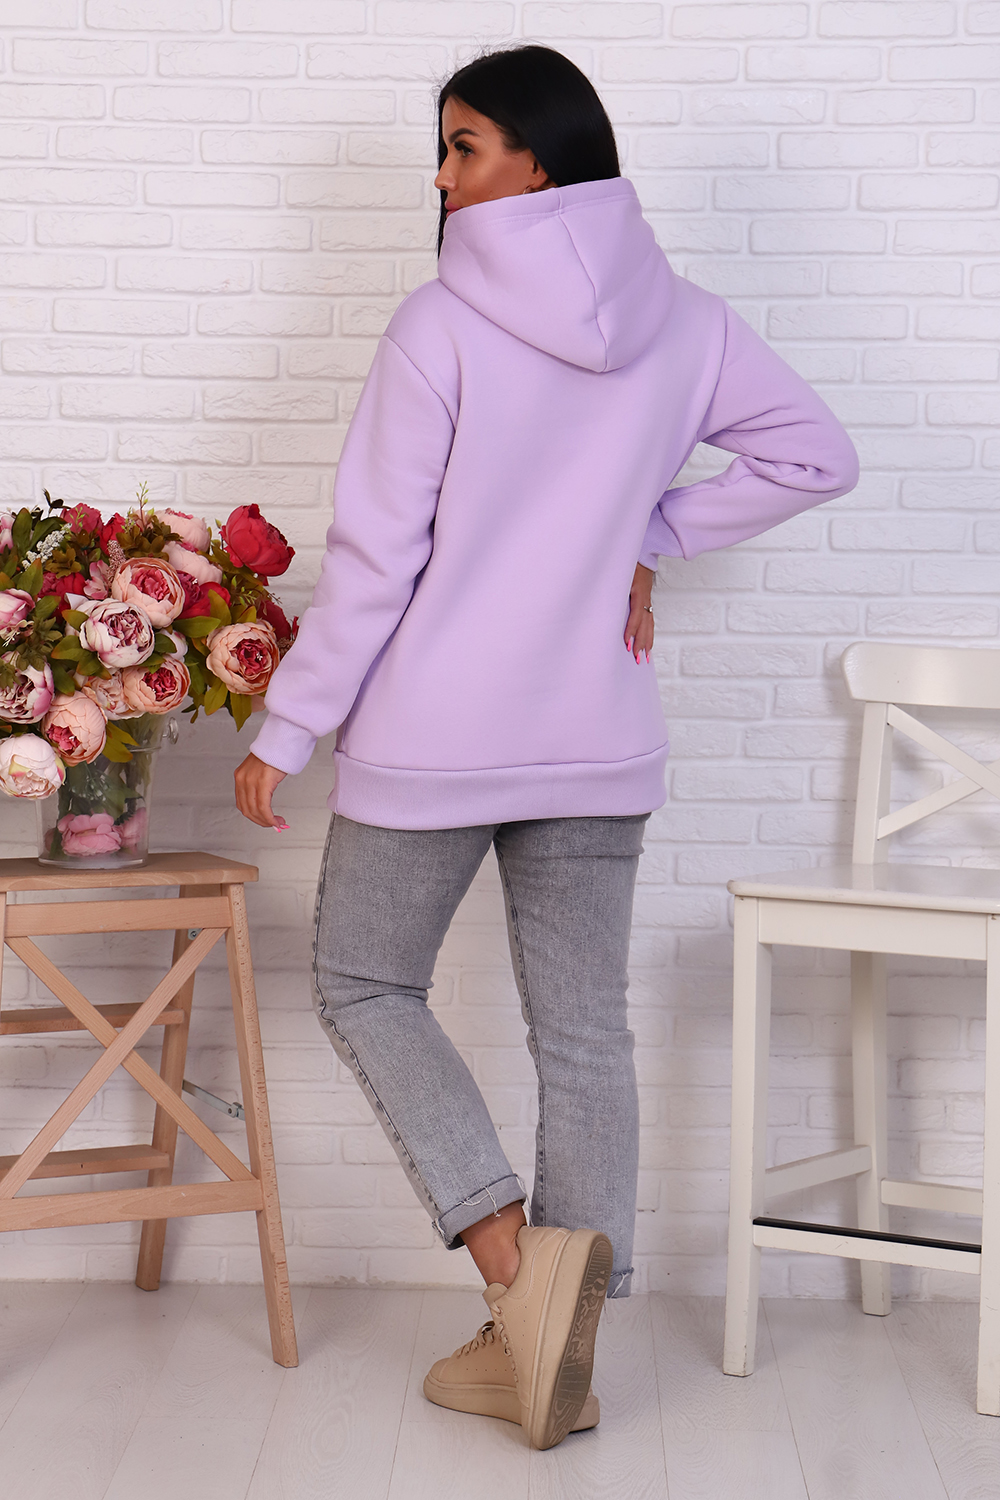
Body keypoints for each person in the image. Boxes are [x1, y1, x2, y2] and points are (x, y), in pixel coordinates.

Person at [234, 45, 858, 1449]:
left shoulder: (438, 325)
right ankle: (561, 1328)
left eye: (465, 146)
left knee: (363, 982)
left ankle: (520, 1280)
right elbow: (818, 456)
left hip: (436, 736)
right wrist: (647, 530)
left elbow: (378, 559)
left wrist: (291, 724)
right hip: (597, 730)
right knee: (584, 1033)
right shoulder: (688, 322)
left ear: (539, 156)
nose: (442, 175)